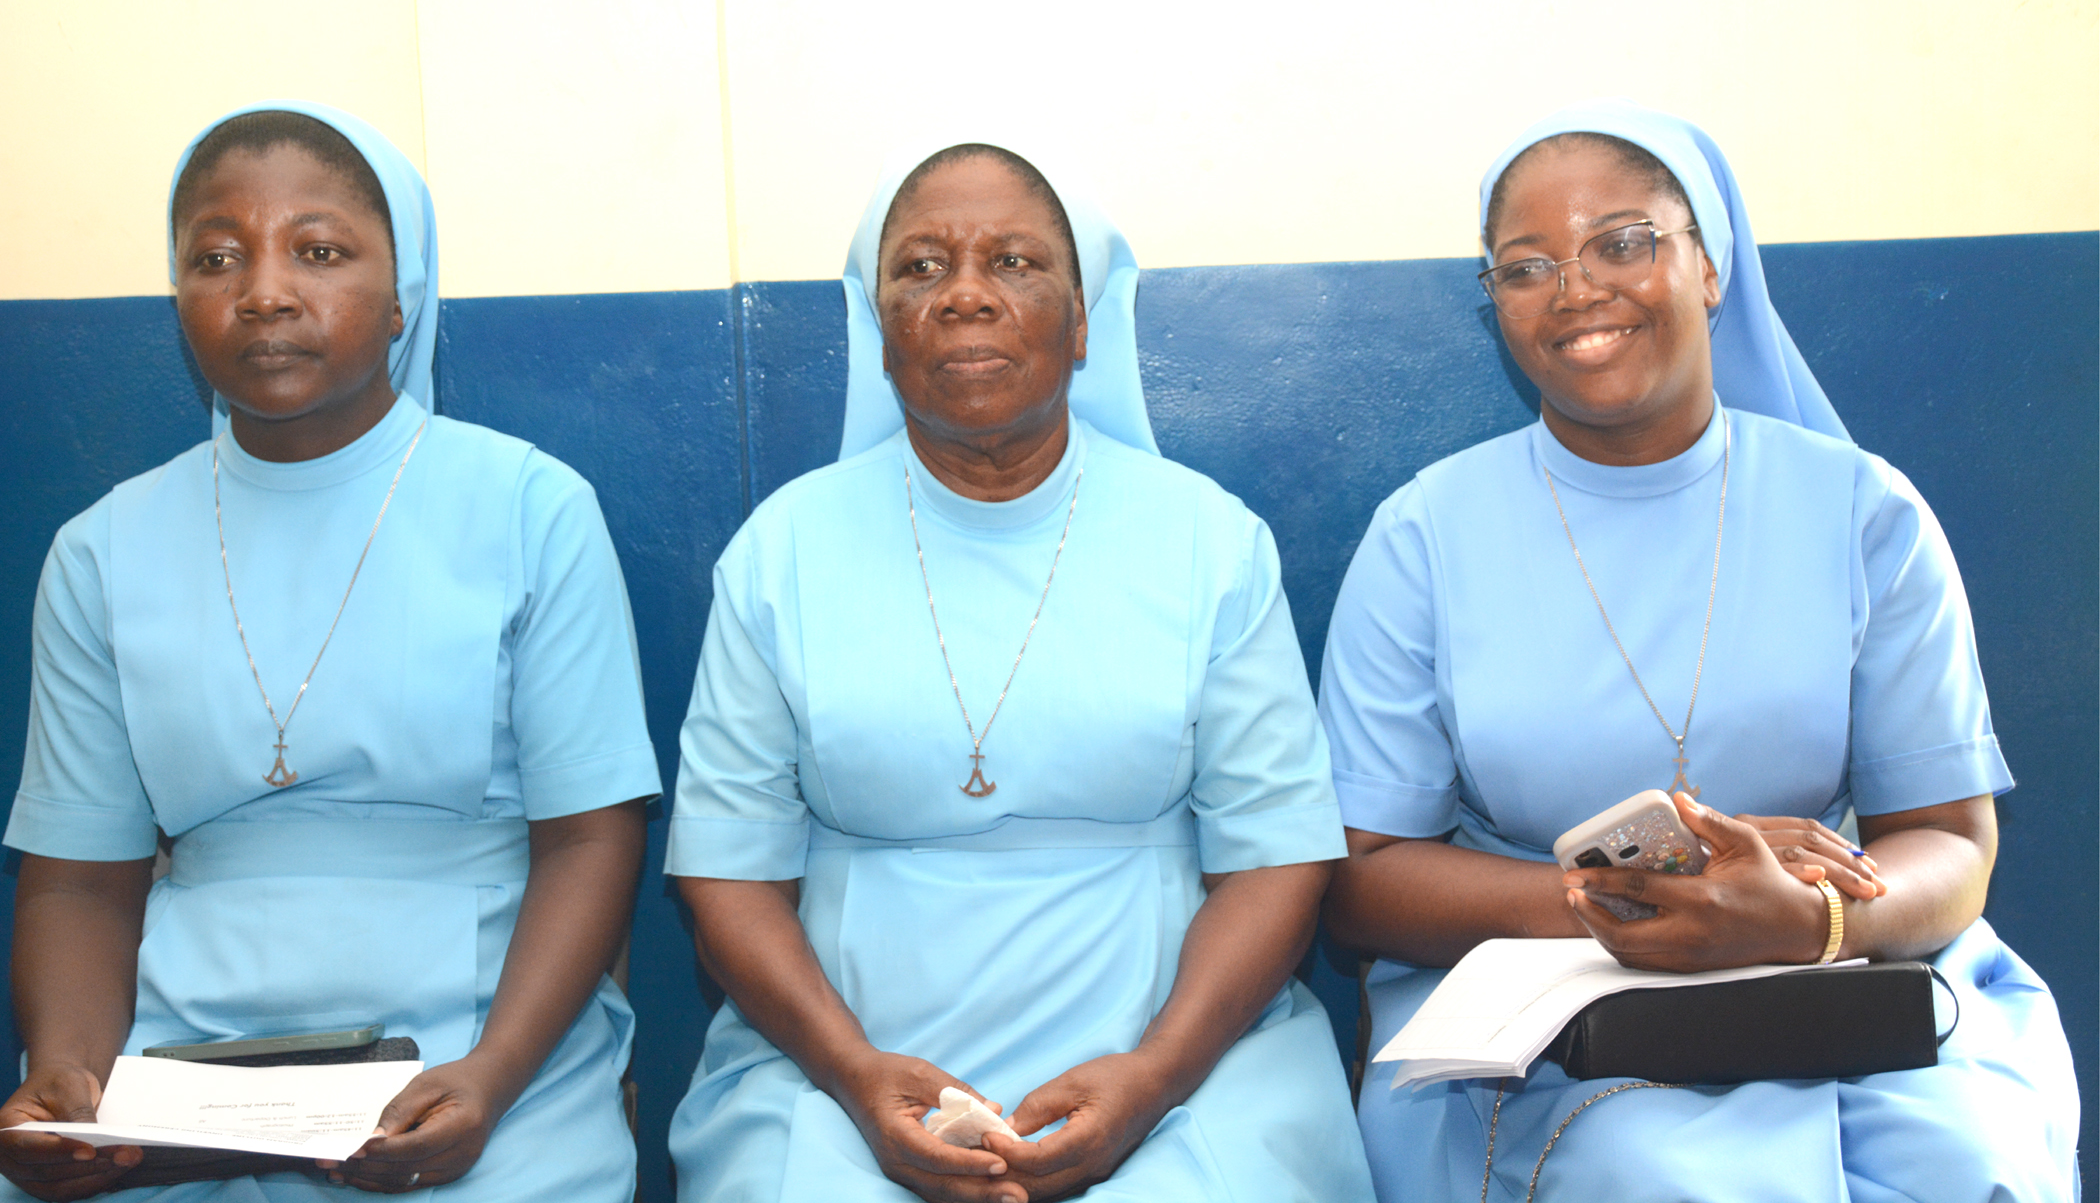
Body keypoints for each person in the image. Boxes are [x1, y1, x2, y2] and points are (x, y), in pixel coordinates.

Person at [1317, 99, 2080, 1202]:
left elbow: (1952, 839)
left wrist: (1811, 919)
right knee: (1649, 1175)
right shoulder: (1424, 536)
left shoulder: (1865, 513)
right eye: (1526, 266)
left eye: (1623, 243)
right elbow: (1362, 877)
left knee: (1964, 1164)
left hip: (1838, 979)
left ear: (1711, 267)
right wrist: (1624, 905)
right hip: (1545, 1014)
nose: (1576, 288)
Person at [663, 139, 1375, 1202]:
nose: (965, 295)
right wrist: (854, 1076)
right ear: (881, 329)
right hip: (840, 1063)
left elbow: (1276, 860)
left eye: (1013, 261)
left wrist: (1155, 1077)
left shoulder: (1209, 542)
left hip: (1178, 1052)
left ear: (1083, 323)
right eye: (921, 267)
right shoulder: (782, 553)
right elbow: (727, 872)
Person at [0, 105, 660, 1200]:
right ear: (179, 298)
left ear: (402, 296)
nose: (263, 291)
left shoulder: (529, 508)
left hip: (484, 1043)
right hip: (185, 1063)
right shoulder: (100, 551)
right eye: (217, 257)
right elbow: (80, 881)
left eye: (318, 251)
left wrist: (495, 1076)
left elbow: (590, 838)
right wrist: (71, 1075)